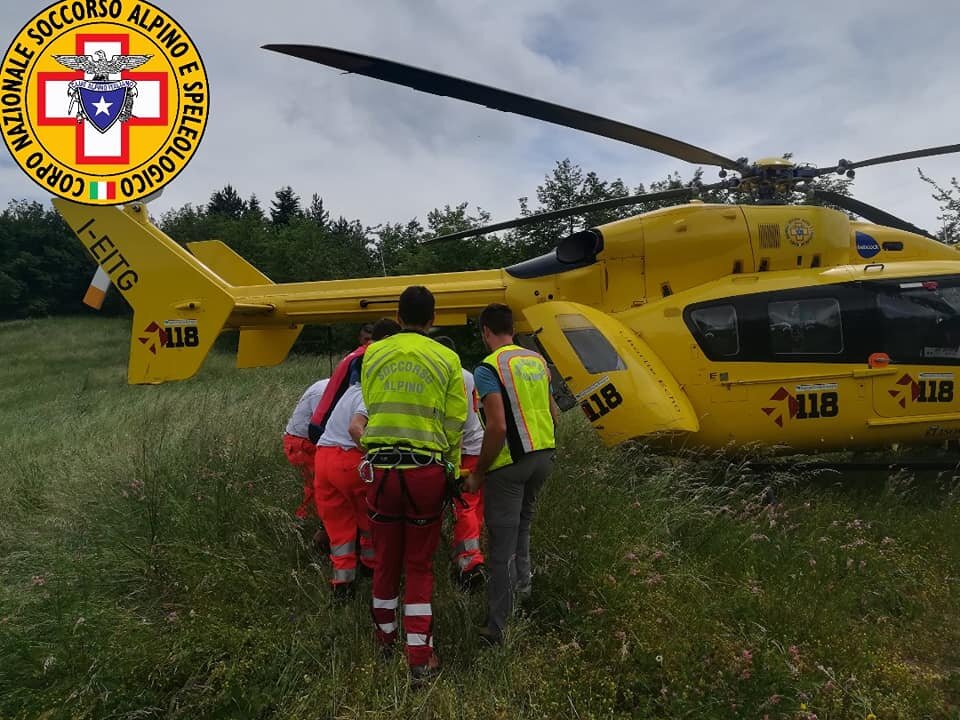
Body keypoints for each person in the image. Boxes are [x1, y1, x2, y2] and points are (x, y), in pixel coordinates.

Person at [361, 286, 467, 683]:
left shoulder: (374, 353)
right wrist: (452, 471)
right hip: (425, 471)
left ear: (398, 316)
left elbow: (370, 404)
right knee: (419, 564)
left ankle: (384, 640)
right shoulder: (447, 358)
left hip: (380, 470)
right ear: (433, 318)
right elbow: (456, 421)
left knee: (385, 559)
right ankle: (420, 657)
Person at [465, 303, 558, 645]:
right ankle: (524, 596)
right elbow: (554, 415)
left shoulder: (489, 367)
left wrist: (478, 473)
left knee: (501, 547)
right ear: (513, 329)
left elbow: (497, 427)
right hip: (543, 456)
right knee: (523, 529)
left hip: (509, 465)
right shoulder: (537, 361)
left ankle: (499, 626)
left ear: (486, 331)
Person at [314, 319, 400, 601]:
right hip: (349, 461)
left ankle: (343, 584)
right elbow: (355, 429)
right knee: (370, 519)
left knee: (338, 527)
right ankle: (372, 568)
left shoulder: (349, 391)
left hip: (323, 460)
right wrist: (374, 453)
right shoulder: (369, 393)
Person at [433, 336, 486, 589]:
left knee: (463, 505)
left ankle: (470, 563)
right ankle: (471, 552)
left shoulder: (445, 376)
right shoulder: (469, 375)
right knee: (474, 506)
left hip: (459, 449)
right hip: (478, 445)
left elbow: (451, 420)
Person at [308, 324, 375, 443]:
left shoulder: (353, 354)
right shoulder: (363, 358)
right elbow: (354, 391)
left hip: (319, 420)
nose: (369, 343)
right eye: (366, 339)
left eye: (371, 339)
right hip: (327, 425)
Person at [283, 377, 330, 521]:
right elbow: (322, 426)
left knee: (324, 485)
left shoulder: (335, 389)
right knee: (317, 487)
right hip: (302, 443)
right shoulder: (323, 391)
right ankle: (305, 522)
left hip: (312, 440)